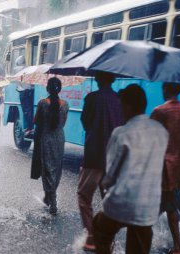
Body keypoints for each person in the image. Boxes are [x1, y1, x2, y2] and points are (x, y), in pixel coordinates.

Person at [93, 84, 168, 254]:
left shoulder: (121, 133)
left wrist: (104, 185)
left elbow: (110, 174)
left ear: (127, 106)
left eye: (121, 105)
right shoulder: (161, 131)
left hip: (121, 203)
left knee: (99, 227)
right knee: (139, 245)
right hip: (148, 208)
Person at [77, 71, 124, 251]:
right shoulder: (119, 99)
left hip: (94, 155)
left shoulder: (92, 98)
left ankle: (91, 235)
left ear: (97, 79)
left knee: (83, 195)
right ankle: (108, 237)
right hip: (114, 156)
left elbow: (85, 122)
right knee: (109, 198)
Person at [150, 82, 180, 254]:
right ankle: (176, 245)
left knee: (154, 207)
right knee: (167, 206)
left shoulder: (159, 111)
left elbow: (149, 139)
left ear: (165, 90)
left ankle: (175, 247)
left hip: (160, 167)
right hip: (178, 169)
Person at [31, 77, 69, 215]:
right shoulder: (65, 104)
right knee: (56, 169)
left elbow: (36, 121)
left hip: (46, 138)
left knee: (47, 168)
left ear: (48, 88)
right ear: (60, 89)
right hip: (59, 139)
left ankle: (52, 200)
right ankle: (49, 197)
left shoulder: (42, 103)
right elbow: (62, 123)